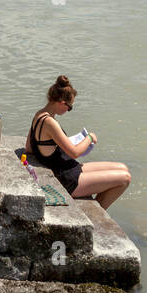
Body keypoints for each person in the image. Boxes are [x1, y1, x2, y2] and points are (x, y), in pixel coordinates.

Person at [26, 74, 131, 210]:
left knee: (122, 168)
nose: (68, 111)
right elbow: (74, 152)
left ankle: (97, 207)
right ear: (62, 102)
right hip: (66, 178)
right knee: (125, 179)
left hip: (67, 168)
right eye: (69, 107)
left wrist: (50, 148)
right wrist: (89, 138)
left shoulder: (39, 115)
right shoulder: (50, 122)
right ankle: (96, 215)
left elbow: (29, 147)